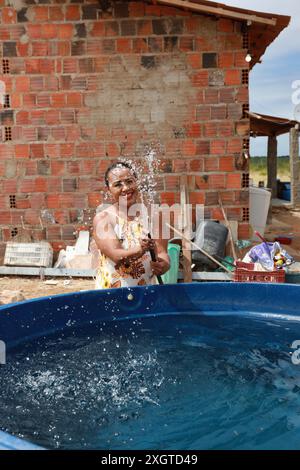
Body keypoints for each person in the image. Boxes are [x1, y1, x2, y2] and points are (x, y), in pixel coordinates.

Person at [93, 161, 170, 289]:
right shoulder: (104, 219)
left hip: (146, 292)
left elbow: (162, 253)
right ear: (109, 190)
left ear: (136, 182)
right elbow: (117, 256)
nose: (126, 188)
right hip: (111, 294)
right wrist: (140, 249)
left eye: (129, 181)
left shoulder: (154, 216)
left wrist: (164, 265)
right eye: (118, 184)